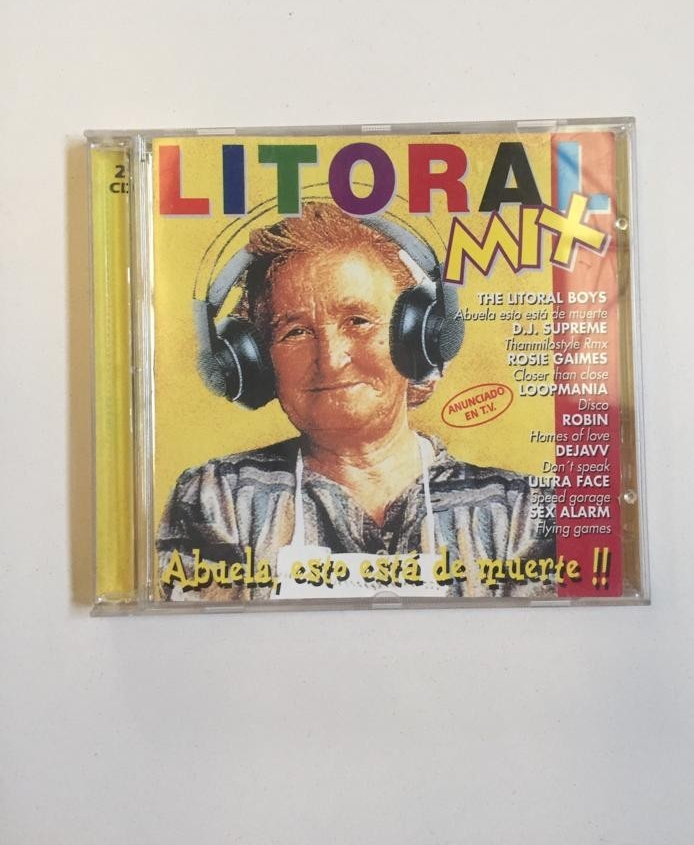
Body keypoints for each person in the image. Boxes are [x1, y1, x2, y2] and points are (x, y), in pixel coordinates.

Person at [156, 203, 555, 601]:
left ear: (419, 337)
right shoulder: (217, 499)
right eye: (295, 332)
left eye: (358, 321)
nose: (331, 359)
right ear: (256, 361)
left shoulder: (521, 511)